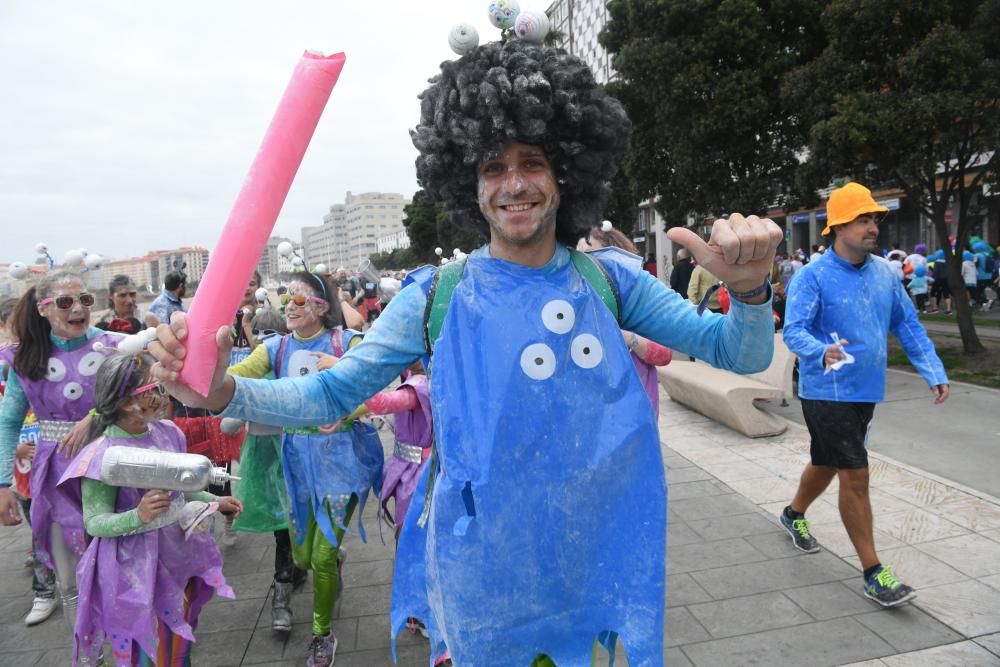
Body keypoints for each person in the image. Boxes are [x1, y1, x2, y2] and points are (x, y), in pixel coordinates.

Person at [150, 39, 781, 665]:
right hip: (479, 564)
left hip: (586, 553)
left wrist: (750, 291)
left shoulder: (610, 279)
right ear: (466, 183)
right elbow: (331, 391)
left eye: (532, 162)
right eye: (492, 168)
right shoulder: (435, 295)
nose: (514, 184)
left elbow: (737, 351)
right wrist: (229, 392)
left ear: (565, 173)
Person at [781, 182, 948, 608]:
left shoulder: (885, 274)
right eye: (863, 218)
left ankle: (793, 513)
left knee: (828, 461)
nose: (873, 226)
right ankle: (874, 572)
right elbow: (795, 330)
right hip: (826, 389)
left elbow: (908, 325)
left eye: (875, 219)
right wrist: (822, 352)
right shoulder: (811, 276)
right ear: (838, 225)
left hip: (865, 390)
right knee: (855, 473)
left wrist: (932, 369)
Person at [227, 270, 383, 666]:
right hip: (295, 464)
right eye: (286, 300)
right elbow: (233, 380)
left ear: (322, 307)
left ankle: (322, 635)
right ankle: (333, 561)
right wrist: (200, 370)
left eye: (299, 300)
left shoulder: (347, 342)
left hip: (341, 463)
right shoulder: (274, 349)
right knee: (300, 559)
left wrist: (349, 411)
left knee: (321, 557)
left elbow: (381, 388)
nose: (289, 307)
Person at [60, 352, 239, 665]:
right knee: (143, 647)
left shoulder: (169, 433)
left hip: (176, 555)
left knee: (179, 642)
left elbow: (183, 490)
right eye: (153, 391)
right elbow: (95, 522)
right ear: (126, 402)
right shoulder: (102, 456)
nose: (163, 396)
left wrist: (215, 502)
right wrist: (137, 515)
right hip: (132, 569)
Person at [0, 272, 124, 648]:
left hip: (112, 467)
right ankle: (88, 654)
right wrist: (4, 483)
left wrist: (95, 417)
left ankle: (125, 646)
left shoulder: (113, 347)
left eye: (84, 300)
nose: (78, 309)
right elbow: (8, 422)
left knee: (119, 567)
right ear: (43, 308)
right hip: (55, 477)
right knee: (69, 579)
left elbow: (142, 397)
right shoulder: (26, 359)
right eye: (65, 302)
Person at [581, 221, 673, 414]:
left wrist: (626, 337)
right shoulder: (576, 299)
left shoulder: (636, 301)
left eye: (591, 253)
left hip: (635, 414)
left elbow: (664, 354)